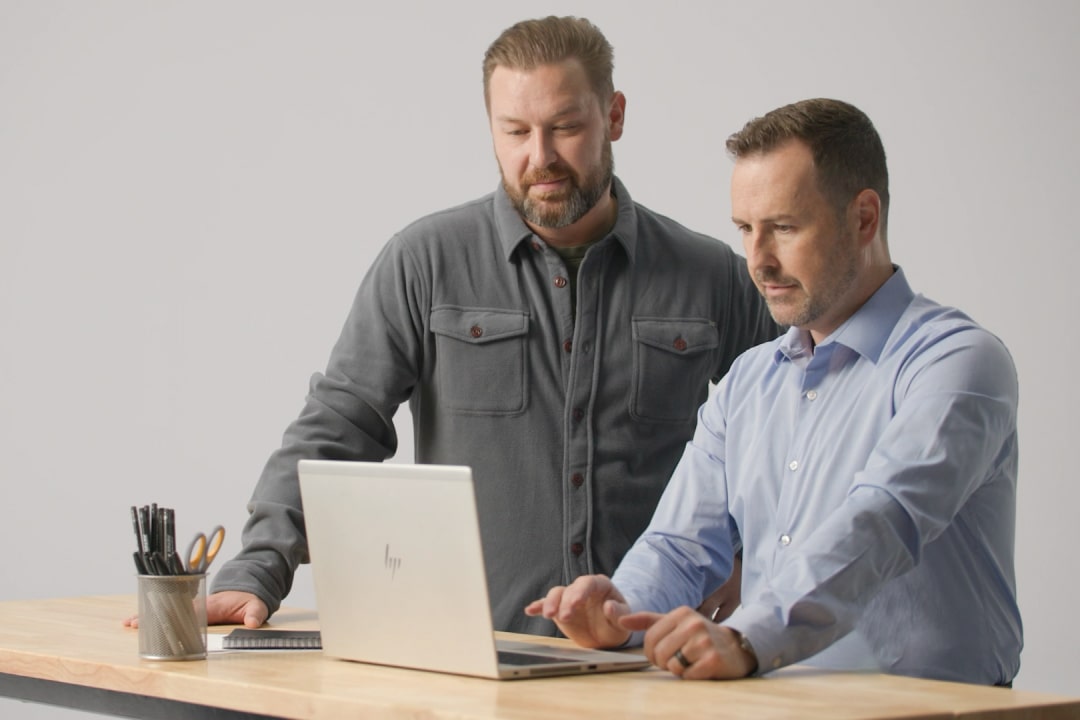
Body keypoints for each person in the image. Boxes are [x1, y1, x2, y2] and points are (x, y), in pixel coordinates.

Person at [190, 16, 777, 635]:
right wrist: (255, 569)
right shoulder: (424, 263)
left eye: (567, 128)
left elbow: (793, 431)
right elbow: (338, 424)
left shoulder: (710, 274)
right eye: (516, 131)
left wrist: (747, 553)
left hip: (650, 660)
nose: (540, 156)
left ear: (615, 116)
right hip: (473, 662)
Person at [526, 98, 1022, 686]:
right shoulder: (748, 382)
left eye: (784, 227)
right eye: (745, 229)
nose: (757, 260)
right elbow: (680, 546)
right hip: (774, 703)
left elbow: (881, 524)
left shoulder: (957, 362)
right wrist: (620, 612)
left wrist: (745, 637)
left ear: (864, 217)